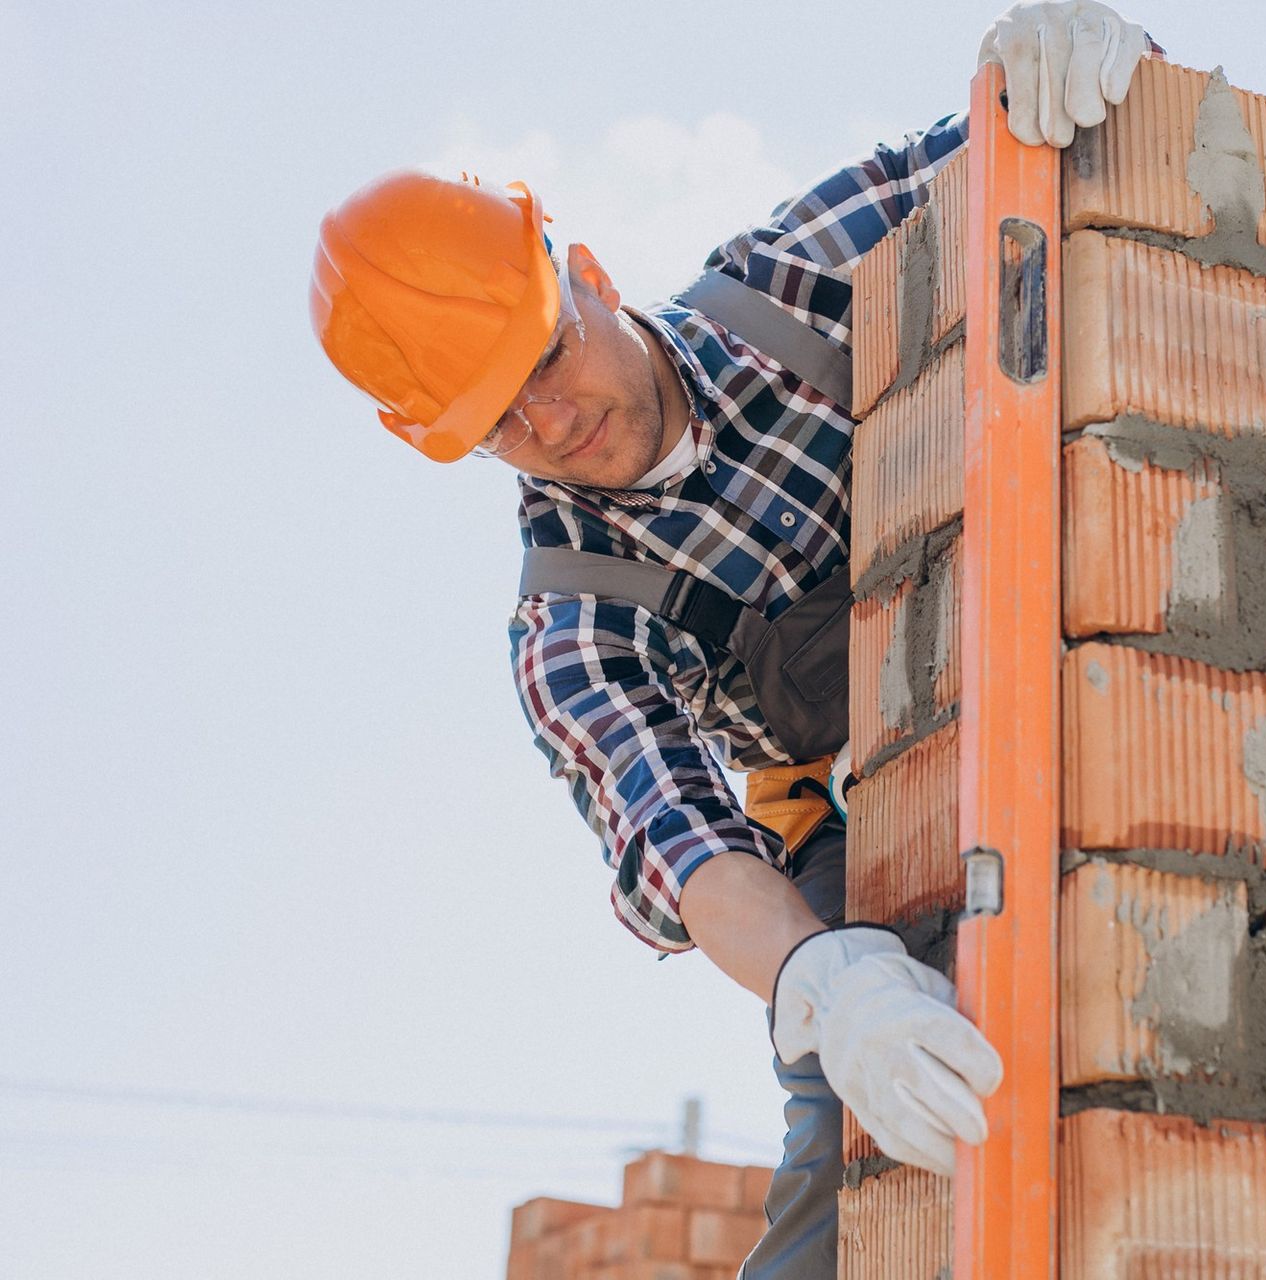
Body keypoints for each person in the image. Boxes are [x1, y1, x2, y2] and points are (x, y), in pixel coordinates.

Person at [308, 3, 1151, 1274]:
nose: (552, 420)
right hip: (846, 839)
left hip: (1050, 678)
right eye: (497, 419)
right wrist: (829, 984)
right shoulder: (574, 619)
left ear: (582, 272)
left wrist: (1065, 63)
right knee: (841, 1153)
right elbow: (685, 850)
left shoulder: (796, 282)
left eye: (545, 355)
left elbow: (1015, 140)